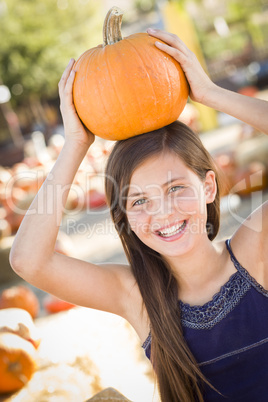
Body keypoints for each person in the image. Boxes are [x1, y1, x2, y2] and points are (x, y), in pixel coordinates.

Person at [9, 28, 268, 402]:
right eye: (138, 201)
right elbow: (28, 260)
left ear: (208, 187)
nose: (162, 212)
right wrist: (76, 145)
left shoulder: (255, 252)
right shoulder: (137, 297)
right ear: (125, 216)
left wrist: (210, 94)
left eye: (176, 188)